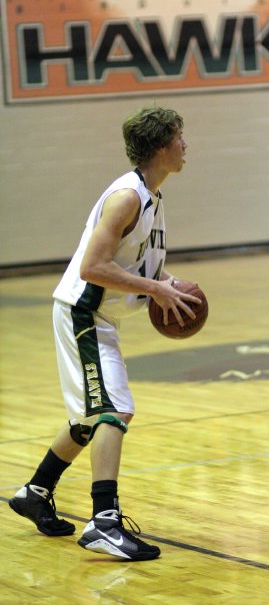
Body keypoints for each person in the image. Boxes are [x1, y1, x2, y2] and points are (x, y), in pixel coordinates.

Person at [9, 106, 202, 561]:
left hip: (101, 318)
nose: (185, 145)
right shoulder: (127, 197)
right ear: (159, 146)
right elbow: (92, 267)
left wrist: (166, 282)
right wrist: (153, 288)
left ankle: (36, 492)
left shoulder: (152, 197)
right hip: (84, 313)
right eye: (179, 136)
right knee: (115, 410)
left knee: (90, 416)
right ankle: (104, 522)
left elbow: (138, 265)